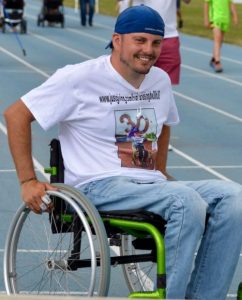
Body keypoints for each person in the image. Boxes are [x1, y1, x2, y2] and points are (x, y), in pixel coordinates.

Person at [4, 5, 242, 300]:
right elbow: (16, 114)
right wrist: (28, 180)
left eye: (156, 43)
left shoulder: (160, 80)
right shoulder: (79, 78)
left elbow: (165, 123)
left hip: (147, 184)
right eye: (140, 41)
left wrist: (161, 170)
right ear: (117, 40)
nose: (149, 50)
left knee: (235, 198)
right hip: (98, 184)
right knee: (186, 202)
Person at [204, 0, 238, 73]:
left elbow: (231, 3)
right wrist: (206, 19)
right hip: (215, 18)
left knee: (220, 41)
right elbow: (206, 4)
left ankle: (213, 59)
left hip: (225, 18)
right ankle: (217, 62)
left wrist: (235, 16)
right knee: (217, 38)